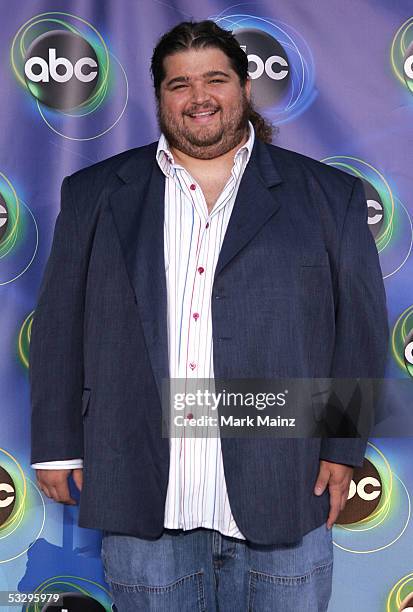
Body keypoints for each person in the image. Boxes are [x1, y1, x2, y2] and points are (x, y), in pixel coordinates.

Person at [29, 20, 389, 611]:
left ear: (245, 88)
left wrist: (344, 447)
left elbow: (359, 331)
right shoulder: (95, 193)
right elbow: (61, 323)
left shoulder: (331, 196)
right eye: (179, 84)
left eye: (215, 79)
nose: (199, 97)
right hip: (142, 488)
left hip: (284, 482)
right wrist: (56, 447)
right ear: (160, 97)